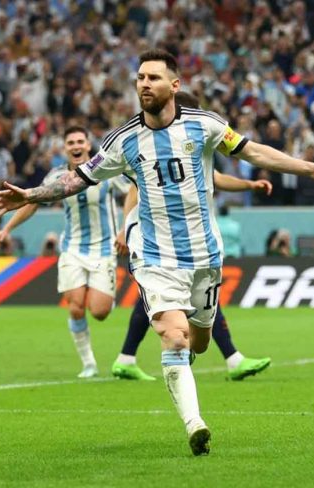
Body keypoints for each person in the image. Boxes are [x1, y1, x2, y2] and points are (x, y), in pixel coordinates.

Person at [0, 50, 314, 456]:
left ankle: (188, 363)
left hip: (204, 256)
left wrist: (308, 168)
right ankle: (194, 424)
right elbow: (78, 180)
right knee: (173, 336)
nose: (144, 84)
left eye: (154, 78)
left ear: (174, 86)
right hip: (155, 257)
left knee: (198, 341)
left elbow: (254, 152)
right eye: (140, 77)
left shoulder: (206, 126)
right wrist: (32, 193)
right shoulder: (122, 141)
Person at [111, 91, 272, 382]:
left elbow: (217, 179)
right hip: (158, 243)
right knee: (194, 303)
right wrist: (125, 229)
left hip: (190, 241)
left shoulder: (191, 150)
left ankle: (126, 357)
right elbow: (134, 191)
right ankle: (233, 359)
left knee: (177, 303)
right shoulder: (155, 148)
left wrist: (249, 184)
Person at [0, 126, 131, 379]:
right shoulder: (56, 176)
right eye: (71, 142)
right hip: (72, 249)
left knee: (99, 312)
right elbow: (32, 201)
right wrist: (7, 229)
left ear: (89, 145)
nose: (76, 146)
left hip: (104, 248)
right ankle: (88, 363)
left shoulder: (107, 170)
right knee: (76, 307)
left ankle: (102, 298)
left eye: (81, 141)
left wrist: (126, 228)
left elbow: (134, 191)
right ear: (65, 148)